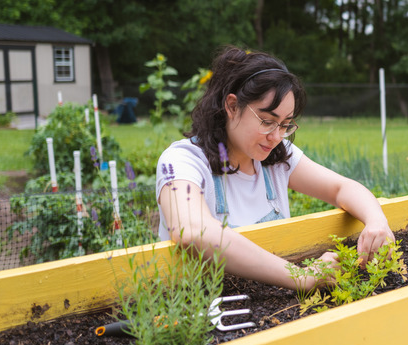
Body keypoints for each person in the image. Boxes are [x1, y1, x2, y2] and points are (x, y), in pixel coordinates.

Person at [156, 46, 394, 292]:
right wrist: (301, 278)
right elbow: (194, 232)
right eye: (267, 122)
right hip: (199, 304)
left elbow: (342, 188)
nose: (276, 137)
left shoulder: (277, 158)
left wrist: (376, 220)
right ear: (232, 106)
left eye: (286, 125)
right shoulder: (182, 161)